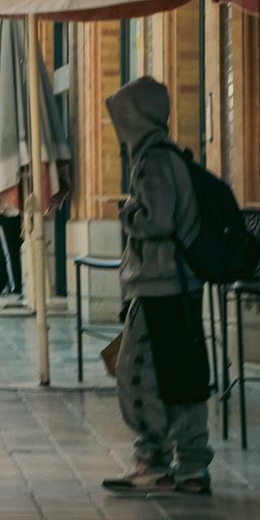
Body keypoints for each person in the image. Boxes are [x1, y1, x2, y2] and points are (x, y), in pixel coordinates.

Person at [101, 77, 212, 496]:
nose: (118, 123)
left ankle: (154, 460)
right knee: (181, 377)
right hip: (177, 284)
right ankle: (191, 467)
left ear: (136, 116)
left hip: (159, 286)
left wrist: (127, 213)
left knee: (138, 374)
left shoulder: (153, 160)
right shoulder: (167, 155)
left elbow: (156, 221)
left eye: (122, 114)